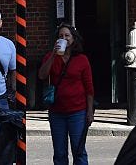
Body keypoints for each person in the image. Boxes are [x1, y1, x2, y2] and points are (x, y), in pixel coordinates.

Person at [38, 22, 94, 165]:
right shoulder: (51, 57)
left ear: (73, 38)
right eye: (60, 36)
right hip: (57, 112)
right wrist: (52, 55)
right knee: (60, 153)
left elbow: (89, 88)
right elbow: (42, 75)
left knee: (79, 150)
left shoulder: (82, 60)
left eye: (67, 35)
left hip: (77, 112)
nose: (64, 38)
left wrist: (89, 111)